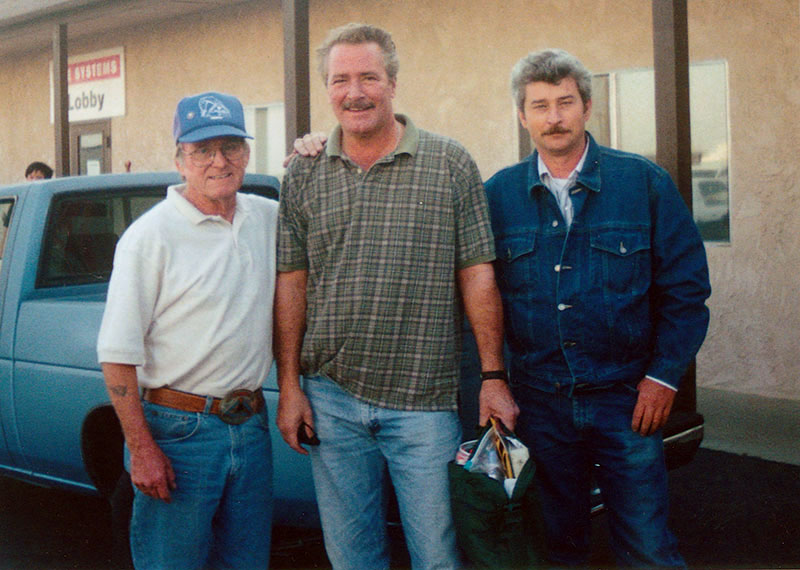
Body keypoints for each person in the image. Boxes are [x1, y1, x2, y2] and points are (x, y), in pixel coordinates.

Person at [275, 23, 518, 570]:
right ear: (327, 88)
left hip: (423, 403)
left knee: (437, 555)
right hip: (330, 399)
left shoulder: (449, 163)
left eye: (368, 77)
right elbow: (291, 284)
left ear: (392, 83)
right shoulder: (304, 174)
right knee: (353, 555)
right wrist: (290, 386)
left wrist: (492, 376)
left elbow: (478, 274)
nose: (354, 92)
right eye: (340, 80)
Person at [483, 49, 711, 567]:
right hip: (539, 406)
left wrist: (665, 377)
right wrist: (492, 379)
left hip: (627, 401)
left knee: (648, 547)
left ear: (587, 106)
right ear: (522, 116)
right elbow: (480, 298)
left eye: (565, 102)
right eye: (539, 106)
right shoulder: (497, 196)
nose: (554, 117)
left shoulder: (643, 183)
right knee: (558, 548)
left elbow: (687, 291)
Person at [97, 91, 277, 570]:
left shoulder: (268, 218)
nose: (219, 161)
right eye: (202, 150)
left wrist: (315, 148)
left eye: (231, 147)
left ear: (247, 153)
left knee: (246, 563)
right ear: (180, 160)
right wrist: (141, 449)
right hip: (178, 434)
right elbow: (117, 355)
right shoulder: (148, 238)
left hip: (250, 424)